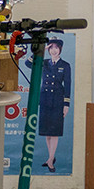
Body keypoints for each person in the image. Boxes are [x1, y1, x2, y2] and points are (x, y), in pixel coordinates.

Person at [38, 39, 71, 172]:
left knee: (55, 132)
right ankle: (50, 157)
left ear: (60, 49)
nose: (54, 50)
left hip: (57, 100)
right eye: (51, 48)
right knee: (47, 132)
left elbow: (67, 85)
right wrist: (42, 50)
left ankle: (51, 159)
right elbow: (29, 63)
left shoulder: (65, 65)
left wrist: (66, 104)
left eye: (56, 48)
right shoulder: (44, 62)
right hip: (45, 99)